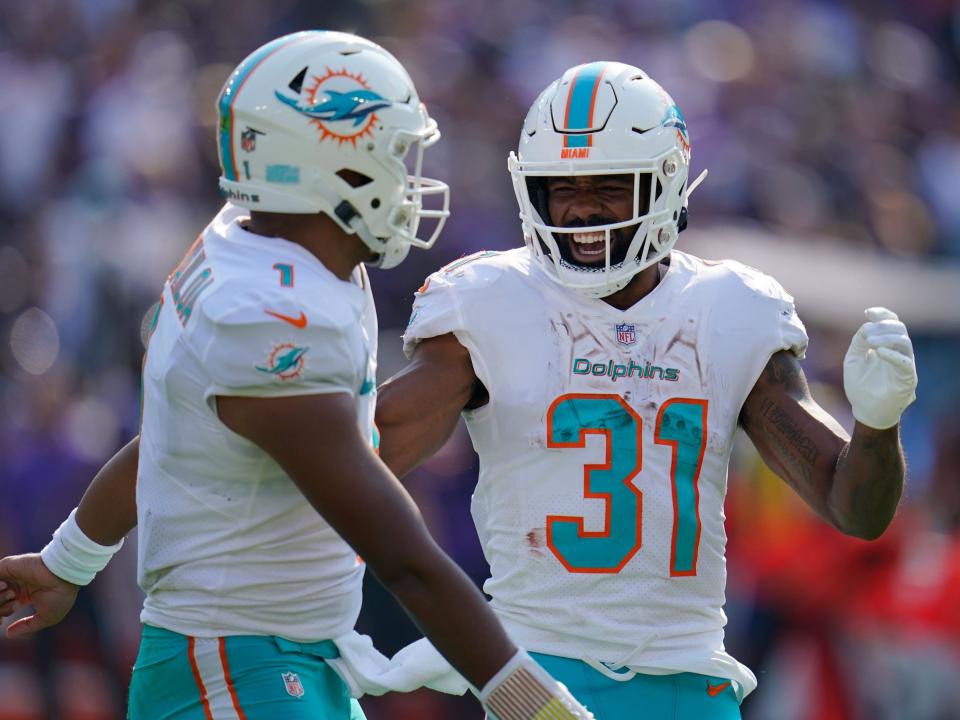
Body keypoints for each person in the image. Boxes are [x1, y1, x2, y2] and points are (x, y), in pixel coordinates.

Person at [0, 32, 593, 720]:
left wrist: (66, 560)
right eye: (392, 154)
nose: (407, 179)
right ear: (328, 165)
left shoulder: (261, 242)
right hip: (235, 670)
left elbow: (171, 443)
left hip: (279, 657)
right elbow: (398, 552)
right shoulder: (268, 315)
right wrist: (536, 704)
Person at [373, 62, 919, 719]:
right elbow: (367, 457)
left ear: (665, 184)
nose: (580, 208)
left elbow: (855, 510)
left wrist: (878, 423)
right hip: (541, 675)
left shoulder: (731, 309)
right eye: (561, 188)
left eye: (608, 186)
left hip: (691, 679)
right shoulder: (489, 303)